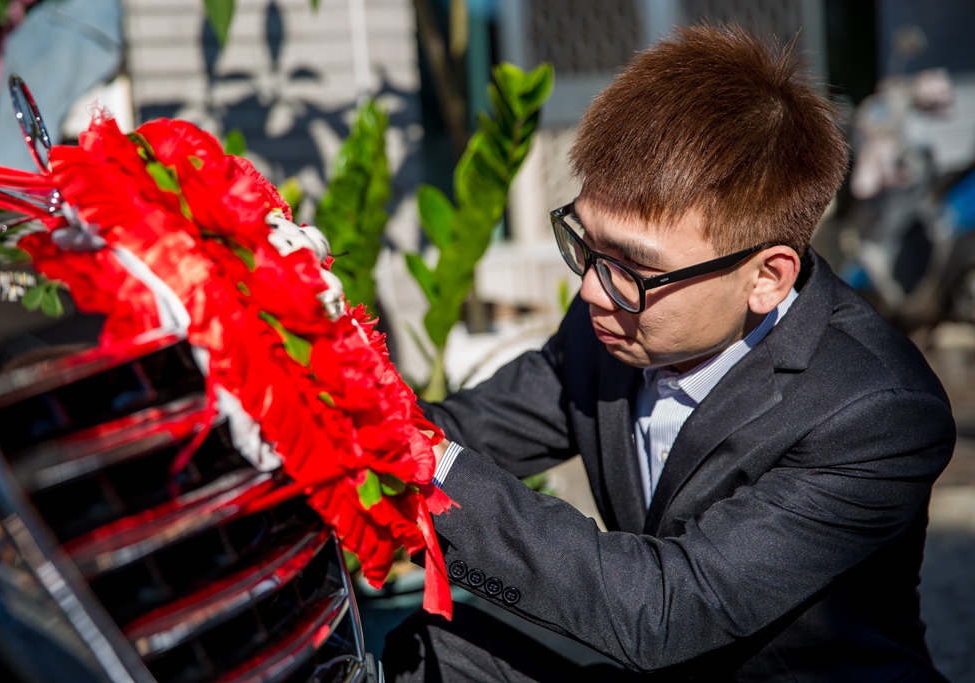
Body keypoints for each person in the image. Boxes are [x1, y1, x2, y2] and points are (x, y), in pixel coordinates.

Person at [382, 23, 956, 682]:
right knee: (432, 651)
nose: (593, 288)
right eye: (587, 244)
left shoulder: (877, 409)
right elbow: (469, 430)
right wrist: (324, 423)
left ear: (766, 276)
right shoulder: (614, 317)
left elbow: (663, 610)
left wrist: (425, 462)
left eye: (634, 267)